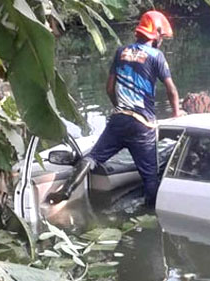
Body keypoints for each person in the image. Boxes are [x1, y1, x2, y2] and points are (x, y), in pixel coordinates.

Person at [47, 10, 183, 207]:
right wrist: (176, 114)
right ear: (156, 36)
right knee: (150, 177)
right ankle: (148, 216)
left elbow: (110, 88)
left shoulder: (121, 52)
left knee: (92, 157)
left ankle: (67, 190)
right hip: (142, 124)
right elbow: (171, 90)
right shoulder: (156, 56)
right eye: (162, 37)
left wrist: (120, 109)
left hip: (118, 119)